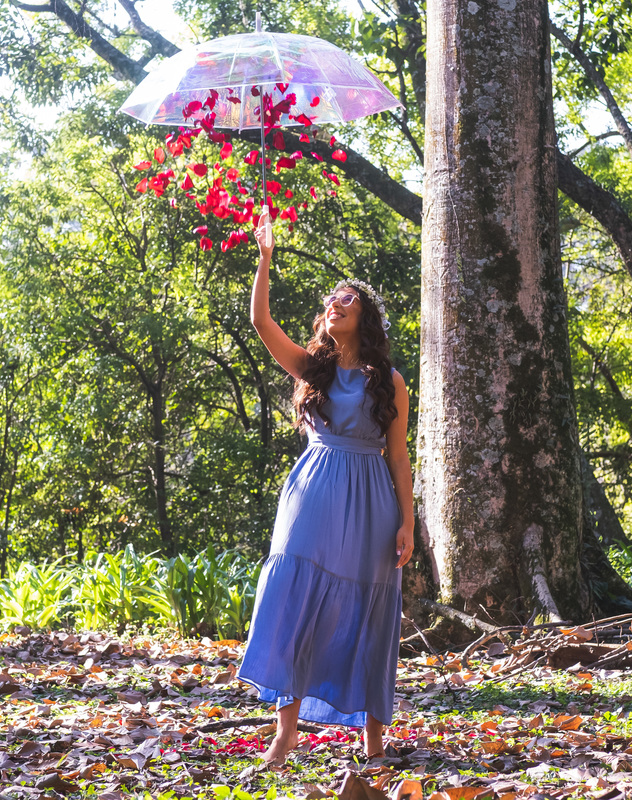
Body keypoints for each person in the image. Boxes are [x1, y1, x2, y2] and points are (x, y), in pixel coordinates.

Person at [236, 209, 414, 764]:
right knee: (293, 597)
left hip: (372, 502)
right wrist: (266, 258)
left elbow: (399, 454)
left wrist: (408, 521)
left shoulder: (390, 382)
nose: (333, 305)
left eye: (347, 300)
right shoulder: (312, 368)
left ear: (365, 319)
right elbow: (261, 324)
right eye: (330, 300)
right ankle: (286, 731)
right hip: (312, 490)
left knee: (367, 611)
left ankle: (374, 740)